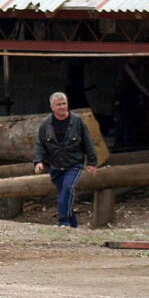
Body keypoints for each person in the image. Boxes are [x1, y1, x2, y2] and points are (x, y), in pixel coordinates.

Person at [33, 92, 98, 228]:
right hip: (55, 166)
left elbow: (88, 142)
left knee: (68, 189)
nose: (62, 107)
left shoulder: (77, 121)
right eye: (59, 104)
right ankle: (73, 225)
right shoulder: (46, 124)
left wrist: (92, 162)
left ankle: (63, 222)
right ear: (52, 107)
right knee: (64, 195)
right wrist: (38, 161)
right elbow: (40, 144)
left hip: (74, 163)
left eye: (64, 104)